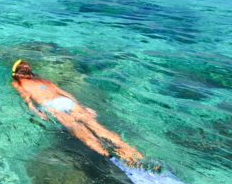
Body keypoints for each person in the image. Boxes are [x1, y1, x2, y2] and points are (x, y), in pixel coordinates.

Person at [10, 59, 148, 168]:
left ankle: (112, 158)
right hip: (65, 101)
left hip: (52, 107)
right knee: (100, 129)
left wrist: (37, 112)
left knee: (83, 134)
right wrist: (83, 106)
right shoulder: (43, 80)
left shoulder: (17, 84)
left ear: (17, 74)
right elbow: (64, 92)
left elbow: (28, 101)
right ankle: (133, 155)